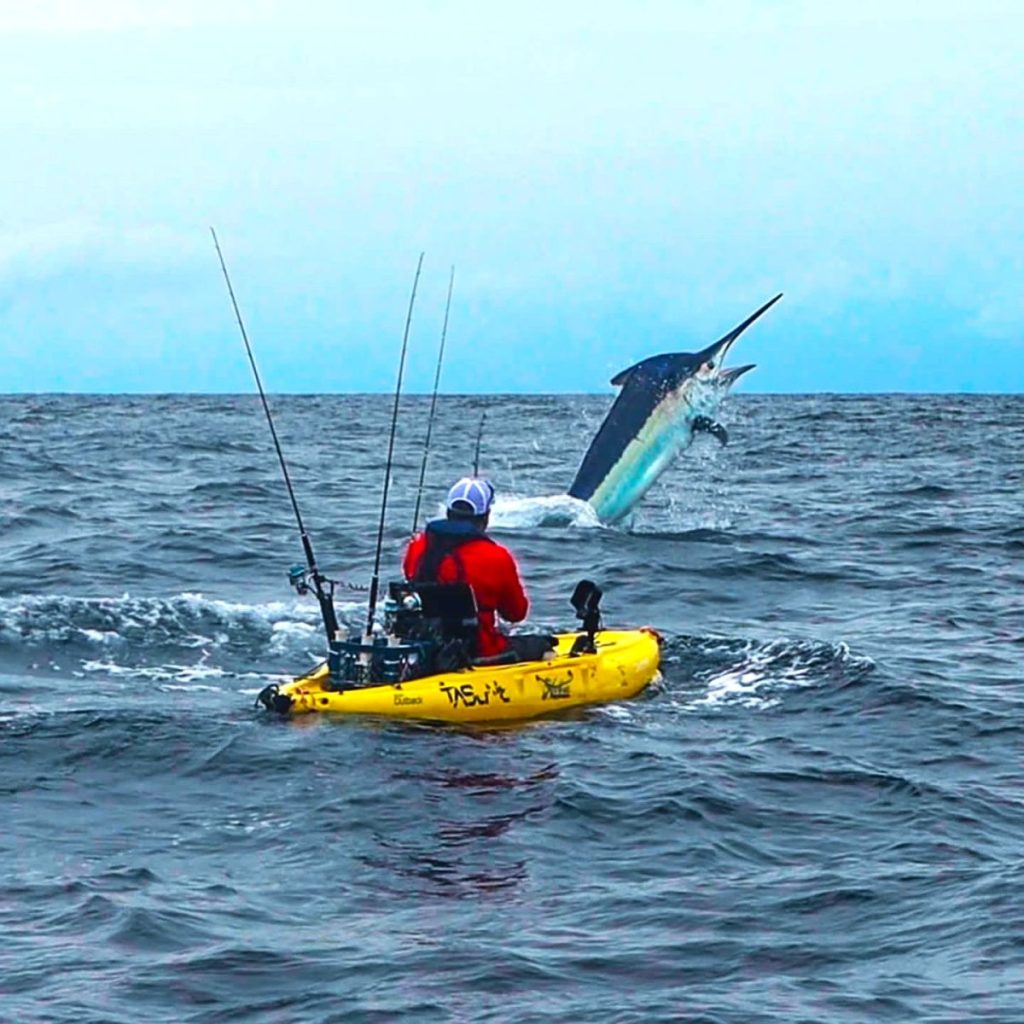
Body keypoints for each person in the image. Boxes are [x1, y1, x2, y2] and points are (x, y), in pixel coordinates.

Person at [403, 477, 528, 659]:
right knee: (544, 646)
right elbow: (516, 613)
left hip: (425, 647)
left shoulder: (417, 546)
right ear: (485, 517)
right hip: (481, 651)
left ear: (447, 512)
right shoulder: (497, 556)